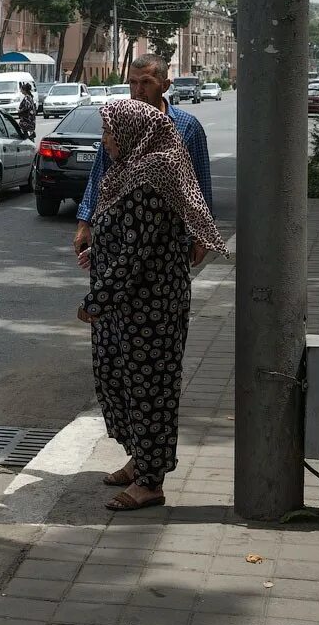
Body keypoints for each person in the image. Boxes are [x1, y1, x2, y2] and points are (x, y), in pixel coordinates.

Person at [77, 99, 227, 511]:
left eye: (109, 132)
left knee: (149, 389)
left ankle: (151, 481)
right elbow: (121, 234)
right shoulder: (128, 169)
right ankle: (139, 458)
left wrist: (97, 297)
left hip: (150, 305)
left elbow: (138, 252)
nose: (104, 140)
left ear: (131, 133)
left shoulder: (153, 172)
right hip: (122, 305)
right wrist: (98, 250)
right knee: (117, 380)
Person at [74, 54, 213, 267]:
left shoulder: (187, 127)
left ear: (165, 85)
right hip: (119, 240)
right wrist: (84, 223)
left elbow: (200, 185)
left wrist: (201, 236)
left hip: (167, 245)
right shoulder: (118, 123)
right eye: (133, 82)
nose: (138, 90)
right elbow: (98, 176)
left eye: (146, 82)